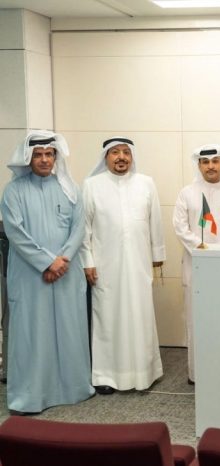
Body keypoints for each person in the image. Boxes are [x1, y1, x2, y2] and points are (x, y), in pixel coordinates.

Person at [0, 131, 93, 414]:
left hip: (66, 272)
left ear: (55, 157)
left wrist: (62, 260)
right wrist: (46, 263)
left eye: (49, 154)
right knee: (33, 334)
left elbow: (79, 227)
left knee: (69, 330)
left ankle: (73, 389)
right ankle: (30, 396)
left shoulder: (70, 188)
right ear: (28, 159)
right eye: (38, 155)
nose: (44, 160)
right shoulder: (13, 191)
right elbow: (15, 232)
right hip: (30, 275)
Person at [80, 137, 165, 394]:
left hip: (139, 263)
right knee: (108, 318)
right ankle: (106, 376)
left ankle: (145, 372)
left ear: (132, 156)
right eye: (115, 152)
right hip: (105, 265)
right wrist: (87, 261)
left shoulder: (146, 183)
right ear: (106, 157)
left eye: (126, 152)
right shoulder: (92, 185)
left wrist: (157, 255)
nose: (121, 157)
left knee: (140, 316)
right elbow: (84, 229)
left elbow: (155, 221)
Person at [173, 144, 220, 383]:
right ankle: (197, 374)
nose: (210, 166)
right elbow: (180, 227)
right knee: (196, 319)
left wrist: (218, 252)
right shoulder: (187, 193)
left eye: (215, 161)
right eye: (205, 162)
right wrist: (202, 248)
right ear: (199, 165)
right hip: (195, 265)